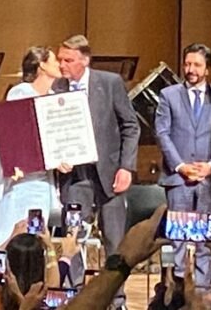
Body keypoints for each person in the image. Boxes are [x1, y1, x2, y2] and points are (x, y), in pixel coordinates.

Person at [52, 35, 140, 307]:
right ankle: (77, 294)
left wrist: (127, 167)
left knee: (114, 241)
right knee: (73, 237)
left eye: (68, 60)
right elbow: (53, 129)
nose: (62, 65)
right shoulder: (57, 87)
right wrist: (58, 158)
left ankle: (117, 298)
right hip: (76, 177)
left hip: (110, 174)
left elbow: (130, 126)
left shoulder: (109, 83)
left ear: (84, 60)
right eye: (60, 59)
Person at [154, 42, 211, 298]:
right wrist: (181, 166)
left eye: (196, 65)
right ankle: (176, 292)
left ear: (207, 68)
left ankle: (203, 291)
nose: (190, 69)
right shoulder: (169, 95)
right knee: (178, 238)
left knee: (205, 238)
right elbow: (162, 133)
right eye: (187, 64)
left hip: (209, 179)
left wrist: (210, 167)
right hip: (179, 178)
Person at [0, 46, 70, 250]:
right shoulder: (21, 92)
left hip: (42, 180)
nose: (59, 65)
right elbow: (16, 134)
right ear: (41, 66)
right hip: (21, 180)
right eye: (53, 61)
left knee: (35, 238)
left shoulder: (53, 96)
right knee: (12, 232)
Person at [64, 205, 171, 310]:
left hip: (113, 192)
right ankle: (76, 295)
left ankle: (117, 303)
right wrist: (124, 261)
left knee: (115, 238)